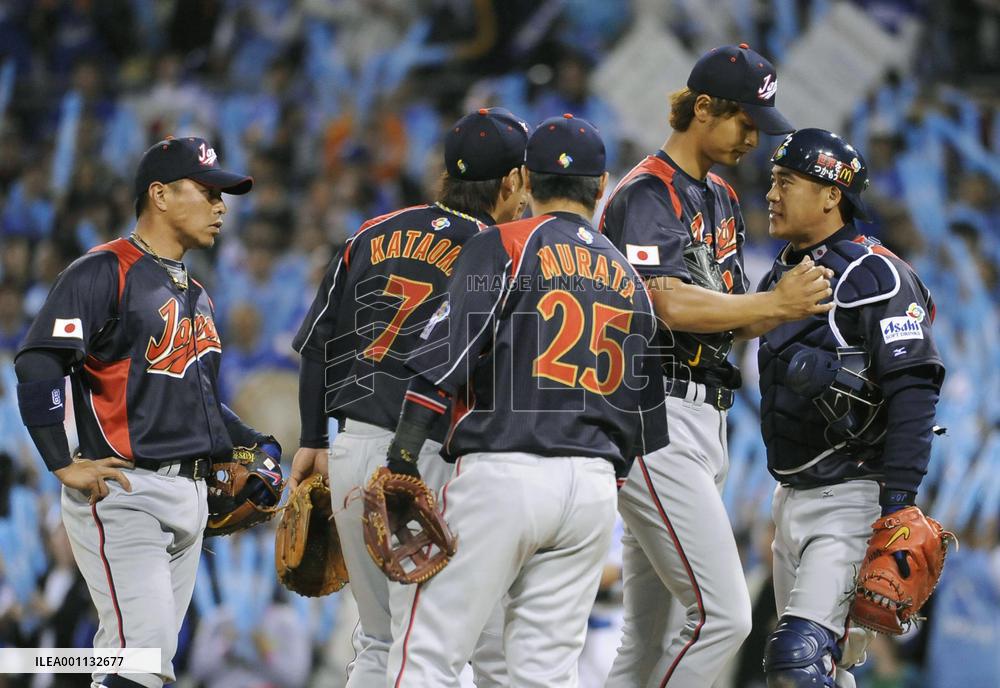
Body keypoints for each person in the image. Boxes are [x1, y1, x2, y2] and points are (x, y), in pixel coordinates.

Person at [381, 113, 669, 687]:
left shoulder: (506, 244)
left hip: (505, 472)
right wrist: (599, 485)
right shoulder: (631, 280)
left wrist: (402, 458)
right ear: (602, 185)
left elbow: (445, 358)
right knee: (545, 674)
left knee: (429, 655)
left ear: (525, 180)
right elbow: (642, 423)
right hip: (592, 491)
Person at [600, 44, 833, 687]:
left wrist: (791, 302)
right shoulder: (648, 193)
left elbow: (731, 317)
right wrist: (772, 303)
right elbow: (666, 302)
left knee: (648, 637)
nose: (754, 138)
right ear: (702, 108)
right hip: (654, 411)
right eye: (745, 122)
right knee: (724, 616)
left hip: (704, 417)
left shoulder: (722, 197)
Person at [13, 136, 280, 688]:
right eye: (207, 192)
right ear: (160, 194)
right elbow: (40, 360)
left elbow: (196, 399)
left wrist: (258, 445)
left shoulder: (198, 294)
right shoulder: (103, 270)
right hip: (125, 492)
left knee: (132, 664)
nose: (221, 206)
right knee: (144, 659)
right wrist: (61, 461)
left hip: (190, 498)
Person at [288, 107, 531, 687]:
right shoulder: (498, 251)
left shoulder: (371, 233)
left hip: (350, 450)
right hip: (428, 459)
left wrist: (313, 439)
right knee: (449, 644)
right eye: (524, 179)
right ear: (509, 181)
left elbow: (317, 346)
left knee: (378, 640)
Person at [757, 128, 945, 688]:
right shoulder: (780, 274)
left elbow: (914, 387)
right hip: (790, 494)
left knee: (799, 661)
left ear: (830, 195)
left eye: (786, 182)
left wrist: (898, 506)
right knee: (825, 668)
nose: (771, 193)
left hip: (853, 496)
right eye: (772, 180)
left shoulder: (877, 275)